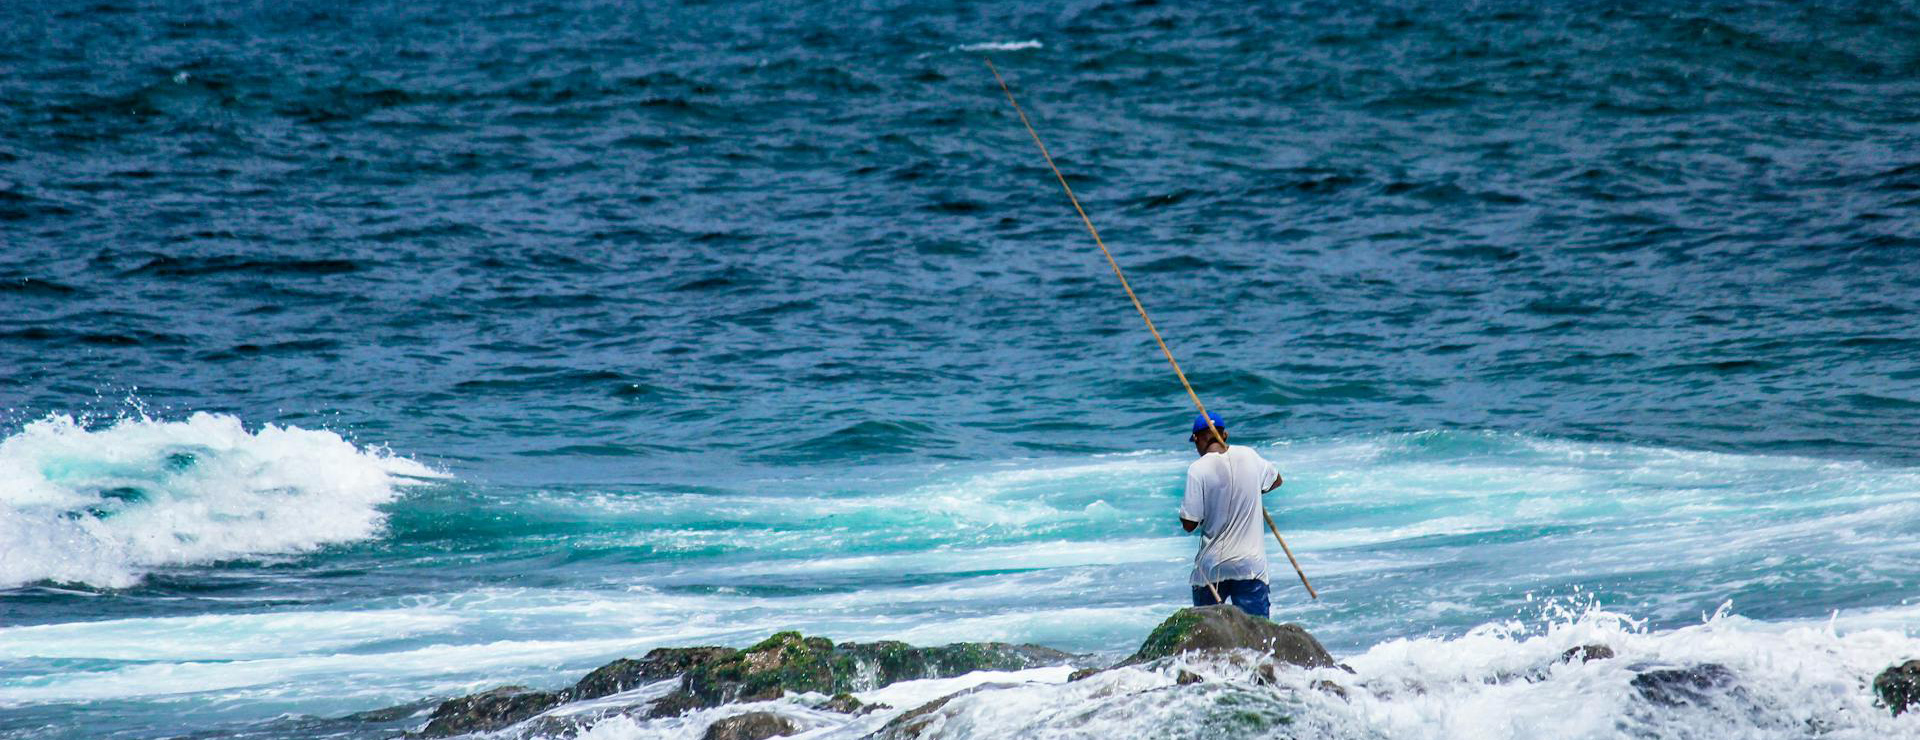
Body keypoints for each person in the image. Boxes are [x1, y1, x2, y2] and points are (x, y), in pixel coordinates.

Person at [1178, 412, 1283, 618]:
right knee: (1257, 635)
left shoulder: (1197, 469)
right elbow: (1276, 480)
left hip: (1212, 568)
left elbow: (1190, 524)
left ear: (1197, 439)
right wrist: (1250, 491)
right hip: (1250, 565)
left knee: (1207, 635)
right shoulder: (1249, 455)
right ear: (1224, 435)